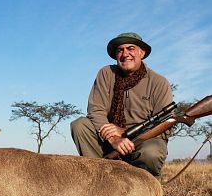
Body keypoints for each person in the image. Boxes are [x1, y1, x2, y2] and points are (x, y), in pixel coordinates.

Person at [71, 32, 173, 178]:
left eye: (131, 48)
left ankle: (147, 186)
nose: (125, 54)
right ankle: (99, 180)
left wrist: (124, 132)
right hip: (110, 139)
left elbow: (165, 126)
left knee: (151, 152)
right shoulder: (106, 73)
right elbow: (95, 110)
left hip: (143, 141)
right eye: (120, 50)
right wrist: (114, 138)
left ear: (141, 53)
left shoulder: (159, 82)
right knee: (80, 125)